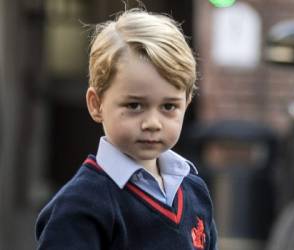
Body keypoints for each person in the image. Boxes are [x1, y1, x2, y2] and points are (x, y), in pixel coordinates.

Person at [35, 9, 218, 250]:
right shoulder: (80, 206)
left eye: (169, 106)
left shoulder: (195, 191)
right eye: (134, 105)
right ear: (96, 104)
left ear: (186, 105)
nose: (152, 122)